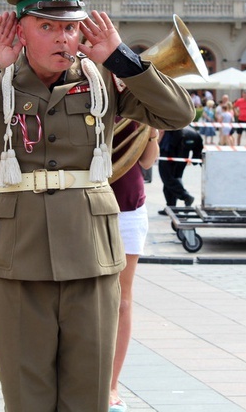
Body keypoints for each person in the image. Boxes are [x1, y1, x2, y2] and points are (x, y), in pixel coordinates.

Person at [0, 0, 195, 412]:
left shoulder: (105, 78)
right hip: (18, 260)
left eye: (71, 26)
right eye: (48, 26)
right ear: (20, 29)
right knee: (26, 398)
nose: (64, 37)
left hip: (90, 256)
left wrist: (122, 58)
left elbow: (178, 114)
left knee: (88, 397)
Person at [109, 119, 159, 412]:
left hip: (129, 207)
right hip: (86, 204)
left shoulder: (138, 98)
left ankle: (112, 385)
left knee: (122, 302)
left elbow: (148, 161)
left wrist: (151, 133)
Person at [158, 126, 203, 213]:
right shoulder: (195, 133)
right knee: (174, 179)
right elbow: (199, 147)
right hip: (181, 155)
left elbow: (161, 131)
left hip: (169, 150)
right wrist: (195, 159)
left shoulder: (169, 122)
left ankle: (185, 196)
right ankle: (171, 207)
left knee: (167, 178)